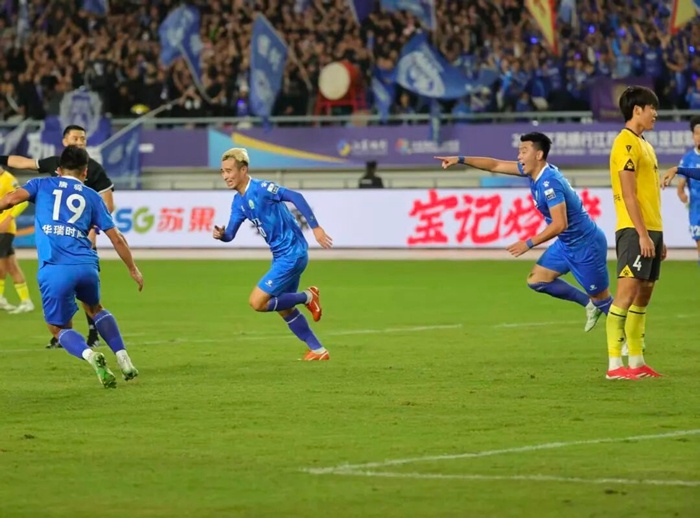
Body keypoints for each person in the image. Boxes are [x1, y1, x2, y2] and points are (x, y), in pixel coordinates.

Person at [435, 132, 613, 333]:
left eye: (523, 151)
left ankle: (629, 340)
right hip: (566, 244)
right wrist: (459, 159)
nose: (519, 156)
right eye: (519, 151)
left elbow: (559, 224)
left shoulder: (549, 183)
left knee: (603, 299)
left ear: (538, 155)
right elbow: (494, 165)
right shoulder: (535, 173)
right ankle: (589, 304)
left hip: (585, 245)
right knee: (537, 280)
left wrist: (528, 243)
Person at [0, 146, 142, 388]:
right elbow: (117, 238)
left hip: (55, 268)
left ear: (58, 169)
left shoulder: (41, 184)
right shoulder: (92, 196)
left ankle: (90, 355)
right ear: (85, 172)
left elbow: (10, 200)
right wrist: (133, 269)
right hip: (86, 266)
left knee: (57, 328)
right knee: (95, 308)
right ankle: (124, 358)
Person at [213, 148, 334, 361]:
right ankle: (318, 350)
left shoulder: (262, 188)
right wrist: (222, 235)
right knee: (283, 307)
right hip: (281, 256)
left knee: (257, 302)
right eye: (222, 171)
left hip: (292, 253)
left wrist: (316, 227)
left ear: (243, 170)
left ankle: (308, 296)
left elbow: (295, 196)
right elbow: (230, 234)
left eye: (229, 171)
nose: (225, 176)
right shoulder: (238, 202)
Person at [1, 124, 114, 348]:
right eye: (75, 138)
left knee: (86, 295)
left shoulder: (94, 169)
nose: (79, 142)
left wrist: (91, 229)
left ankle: (92, 334)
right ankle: (61, 335)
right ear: (64, 141)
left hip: (80, 240)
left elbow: (108, 205)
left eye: (83, 139)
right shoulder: (54, 163)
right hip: (55, 241)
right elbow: (24, 163)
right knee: (59, 288)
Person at [605, 85, 665, 381]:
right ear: (637, 110)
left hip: (651, 229)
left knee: (644, 296)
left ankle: (637, 361)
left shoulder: (645, 145)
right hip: (633, 229)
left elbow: (649, 194)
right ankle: (614, 364)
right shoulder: (625, 143)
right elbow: (629, 194)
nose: (655, 114)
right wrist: (642, 234)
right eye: (652, 108)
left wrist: (657, 235)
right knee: (626, 294)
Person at [0, 168, 34, 313]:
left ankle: (1, 298)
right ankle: (26, 301)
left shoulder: (9, 179)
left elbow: (22, 202)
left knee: (1, 266)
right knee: (12, 265)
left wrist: (9, 218)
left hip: (4, 228)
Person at [674, 116, 700, 265]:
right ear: (692, 136)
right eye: (696, 133)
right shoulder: (688, 159)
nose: (699, 137)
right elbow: (681, 186)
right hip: (697, 208)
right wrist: (682, 194)